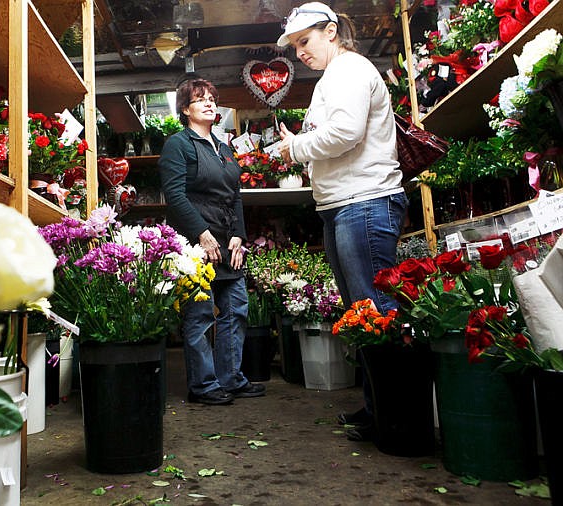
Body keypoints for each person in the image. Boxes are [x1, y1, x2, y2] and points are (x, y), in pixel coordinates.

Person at [275, 2, 408, 439]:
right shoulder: (334, 76)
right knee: (363, 312)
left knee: (376, 310)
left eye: (304, 41)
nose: (300, 53)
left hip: (364, 202)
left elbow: (345, 132)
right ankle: (379, 409)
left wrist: (296, 148)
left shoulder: (349, 70)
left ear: (331, 31)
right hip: (346, 204)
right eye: (295, 46)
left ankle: (395, 418)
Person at [159, 78, 266, 405]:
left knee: (236, 308)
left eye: (211, 98)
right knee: (201, 314)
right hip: (196, 242)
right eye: (199, 99)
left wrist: (238, 235)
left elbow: (234, 196)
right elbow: (175, 195)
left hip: (227, 238)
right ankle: (204, 386)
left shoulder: (224, 147)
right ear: (185, 108)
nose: (208, 103)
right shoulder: (179, 144)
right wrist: (202, 235)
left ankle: (231, 379)